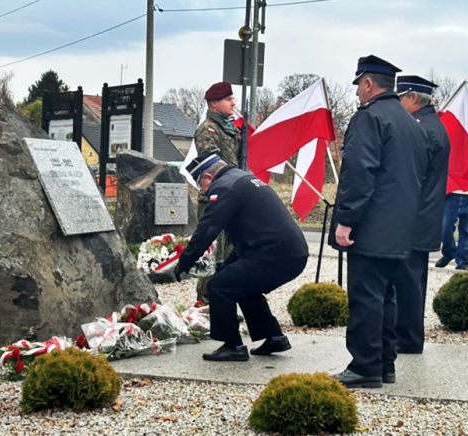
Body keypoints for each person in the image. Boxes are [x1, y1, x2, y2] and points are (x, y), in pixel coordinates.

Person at [329, 55, 429, 388]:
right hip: (400, 226)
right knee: (386, 297)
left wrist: (346, 220)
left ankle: (365, 367)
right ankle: (385, 364)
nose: (357, 91)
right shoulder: (408, 121)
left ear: (369, 83)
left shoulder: (369, 117)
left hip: (371, 225)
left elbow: (359, 173)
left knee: (366, 298)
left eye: (359, 85)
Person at [174, 149, 308, 362]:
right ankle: (274, 337)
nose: (203, 191)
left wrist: (184, 262)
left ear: (208, 176)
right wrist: (223, 265)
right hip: (288, 251)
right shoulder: (241, 178)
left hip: (274, 254)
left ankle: (232, 346)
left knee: (219, 286)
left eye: (201, 185)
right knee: (240, 283)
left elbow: (208, 229)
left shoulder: (224, 187)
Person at [392, 75, 451, 354]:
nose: (397, 104)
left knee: (408, 282)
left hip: (414, 217)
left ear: (413, 98)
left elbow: (406, 175)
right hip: (420, 216)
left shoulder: (423, 130)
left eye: (400, 98)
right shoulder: (428, 126)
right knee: (410, 281)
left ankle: (407, 339)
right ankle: (407, 337)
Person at [193, 82, 241, 305]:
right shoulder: (208, 129)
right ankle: (204, 303)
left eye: (232, 98)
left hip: (232, 196)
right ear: (213, 103)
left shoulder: (230, 129)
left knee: (231, 251)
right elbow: (210, 163)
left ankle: (223, 301)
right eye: (228, 99)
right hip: (214, 199)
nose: (233, 103)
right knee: (212, 252)